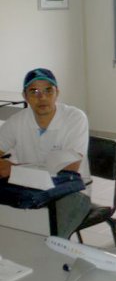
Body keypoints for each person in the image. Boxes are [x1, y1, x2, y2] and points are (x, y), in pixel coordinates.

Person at [0, 68, 91, 238]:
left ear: (57, 93)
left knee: (52, 231)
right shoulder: (17, 121)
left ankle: (49, 254)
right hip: (27, 188)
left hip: (69, 191)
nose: (42, 97)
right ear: (25, 96)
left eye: (48, 90)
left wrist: (14, 170)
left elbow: (68, 171)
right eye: (34, 91)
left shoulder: (75, 118)